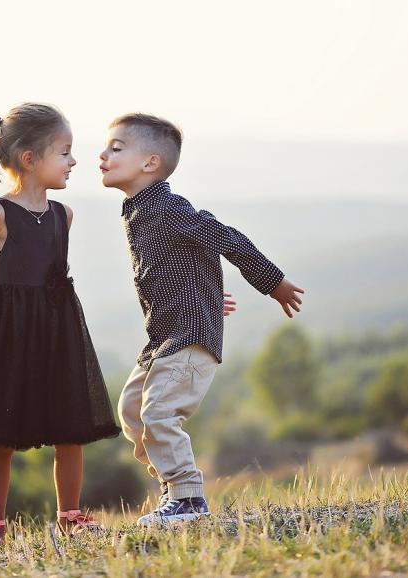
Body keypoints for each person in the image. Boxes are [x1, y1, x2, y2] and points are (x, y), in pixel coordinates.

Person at [0, 102, 121, 546]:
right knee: (0, 435)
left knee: (69, 427)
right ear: (30, 159)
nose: (74, 162)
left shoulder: (63, 216)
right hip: (5, 335)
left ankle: (71, 515)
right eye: (65, 152)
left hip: (56, 333)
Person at [100, 113, 304, 526]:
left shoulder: (168, 207)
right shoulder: (138, 209)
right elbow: (182, 262)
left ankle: (188, 498)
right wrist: (206, 296)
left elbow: (224, 238)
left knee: (159, 414)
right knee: (133, 412)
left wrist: (273, 282)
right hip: (164, 336)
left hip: (189, 338)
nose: (102, 155)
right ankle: (174, 490)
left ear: (150, 163)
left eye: (116, 148)